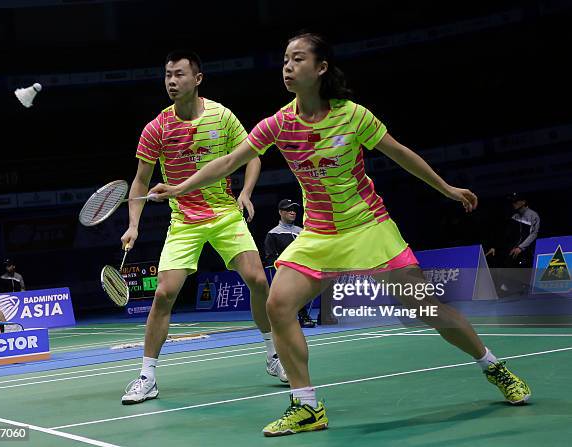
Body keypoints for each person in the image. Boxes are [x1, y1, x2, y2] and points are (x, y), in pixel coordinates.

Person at [147, 33, 531, 436]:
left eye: (297, 60)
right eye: (284, 61)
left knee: (426, 309)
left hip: (368, 226)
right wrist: (178, 188)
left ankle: (492, 366)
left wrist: (447, 189)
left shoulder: (352, 115)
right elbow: (228, 161)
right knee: (278, 302)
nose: (288, 67)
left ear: (321, 68)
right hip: (319, 234)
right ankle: (307, 405)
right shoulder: (279, 123)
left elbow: (400, 153)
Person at [120, 50, 287, 406]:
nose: (171, 81)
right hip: (183, 220)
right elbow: (140, 182)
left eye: (179, 74)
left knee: (259, 280)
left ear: (197, 79)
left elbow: (252, 155)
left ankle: (274, 355)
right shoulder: (156, 128)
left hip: (225, 212)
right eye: (167, 75)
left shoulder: (222, 116)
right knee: (164, 294)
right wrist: (133, 225)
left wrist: (245, 192)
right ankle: (147, 376)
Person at [264, 199, 314, 327]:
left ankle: (324, 315)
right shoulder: (273, 234)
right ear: (280, 212)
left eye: (294, 210)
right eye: (288, 209)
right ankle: (302, 316)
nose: (292, 212)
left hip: (304, 268)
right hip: (285, 271)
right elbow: (270, 257)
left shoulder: (302, 232)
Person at [485, 192, 540, 294]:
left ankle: (520, 287)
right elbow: (507, 236)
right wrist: (495, 247)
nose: (513, 203)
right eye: (513, 202)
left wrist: (520, 248)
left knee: (518, 262)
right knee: (496, 258)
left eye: (516, 201)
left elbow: (533, 235)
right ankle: (501, 288)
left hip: (528, 250)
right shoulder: (514, 216)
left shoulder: (533, 215)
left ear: (523, 202)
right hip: (513, 249)